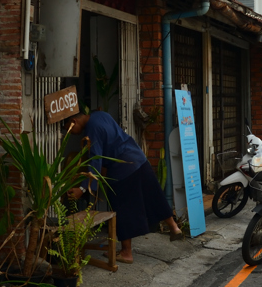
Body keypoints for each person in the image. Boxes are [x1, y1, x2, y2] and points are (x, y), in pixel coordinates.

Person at [65, 111, 184, 264]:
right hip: (138, 158)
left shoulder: (91, 130)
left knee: (121, 208)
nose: (69, 133)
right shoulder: (101, 115)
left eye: (68, 128)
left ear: (74, 121)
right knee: (153, 195)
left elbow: (95, 160)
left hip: (122, 168)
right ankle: (174, 227)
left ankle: (126, 253)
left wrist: (82, 189)